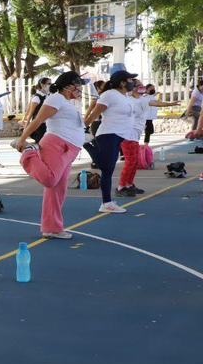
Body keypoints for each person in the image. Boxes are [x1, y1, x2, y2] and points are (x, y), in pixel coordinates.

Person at [12, 72, 85, 239]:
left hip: (69, 149)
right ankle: (29, 154)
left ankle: (52, 228)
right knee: (50, 179)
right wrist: (22, 140)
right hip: (56, 144)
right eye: (78, 84)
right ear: (69, 85)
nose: (80, 88)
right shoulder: (56, 98)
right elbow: (37, 121)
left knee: (57, 190)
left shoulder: (68, 102)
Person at [82, 69, 138, 213]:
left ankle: (106, 203)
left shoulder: (124, 96)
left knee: (107, 168)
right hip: (108, 134)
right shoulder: (109, 95)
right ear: (122, 82)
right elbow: (95, 113)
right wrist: (82, 127)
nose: (133, 82)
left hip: (119, 136)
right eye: (131, 80)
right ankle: (106, 203)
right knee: (106, 168)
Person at [117, 80, 179, 196]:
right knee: (130, 162)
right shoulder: (127, 100)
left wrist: (171, 104)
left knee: (134, 162)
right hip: (127, 136)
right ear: (133, 87)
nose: (142, 87)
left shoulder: (143, 99)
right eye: (139, 85)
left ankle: (129, 184)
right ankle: (121, 186)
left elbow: (156, 103)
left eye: (142, 85)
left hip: (135, 135)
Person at [20, 77, 51, 143]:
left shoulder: (49, 96)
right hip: (39, 125)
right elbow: (31, 112)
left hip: (48, 124)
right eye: (49, 84)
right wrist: (26, 126)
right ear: (42, 84)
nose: (50, 85)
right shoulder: (37, 97)